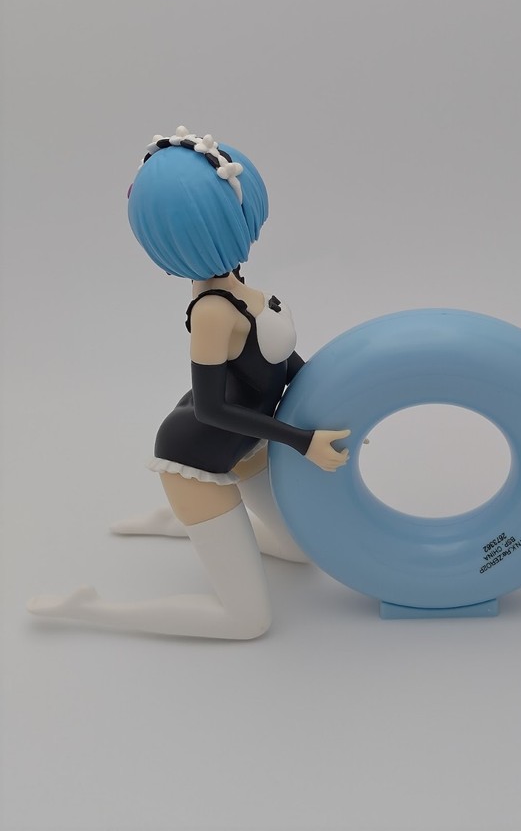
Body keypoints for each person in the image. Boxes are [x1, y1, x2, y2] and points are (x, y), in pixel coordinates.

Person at [28, 126, 350, 639]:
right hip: (198, 458)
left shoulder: (239, 282)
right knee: (247, 622)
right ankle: (90, 609)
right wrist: (301, 440)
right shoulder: (211, 312)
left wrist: (341, 402)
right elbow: (209, 410)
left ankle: (180, 523)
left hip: (247, 442)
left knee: (301, 552)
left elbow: (283, 363)